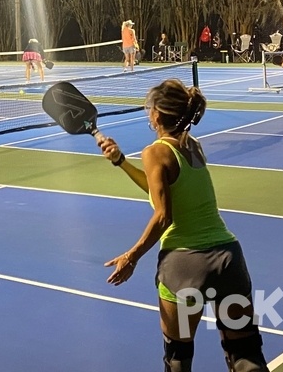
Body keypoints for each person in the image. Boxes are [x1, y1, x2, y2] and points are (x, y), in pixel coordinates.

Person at [98, 79, 268, 372]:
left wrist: (132, 256)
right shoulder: (194, 145)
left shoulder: (155, 152)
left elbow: (164, 215)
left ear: (156, 114)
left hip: (184, 263)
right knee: (245, 354)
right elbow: (162, 190)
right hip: (229, 259)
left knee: (178, 358)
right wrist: (121, 161)